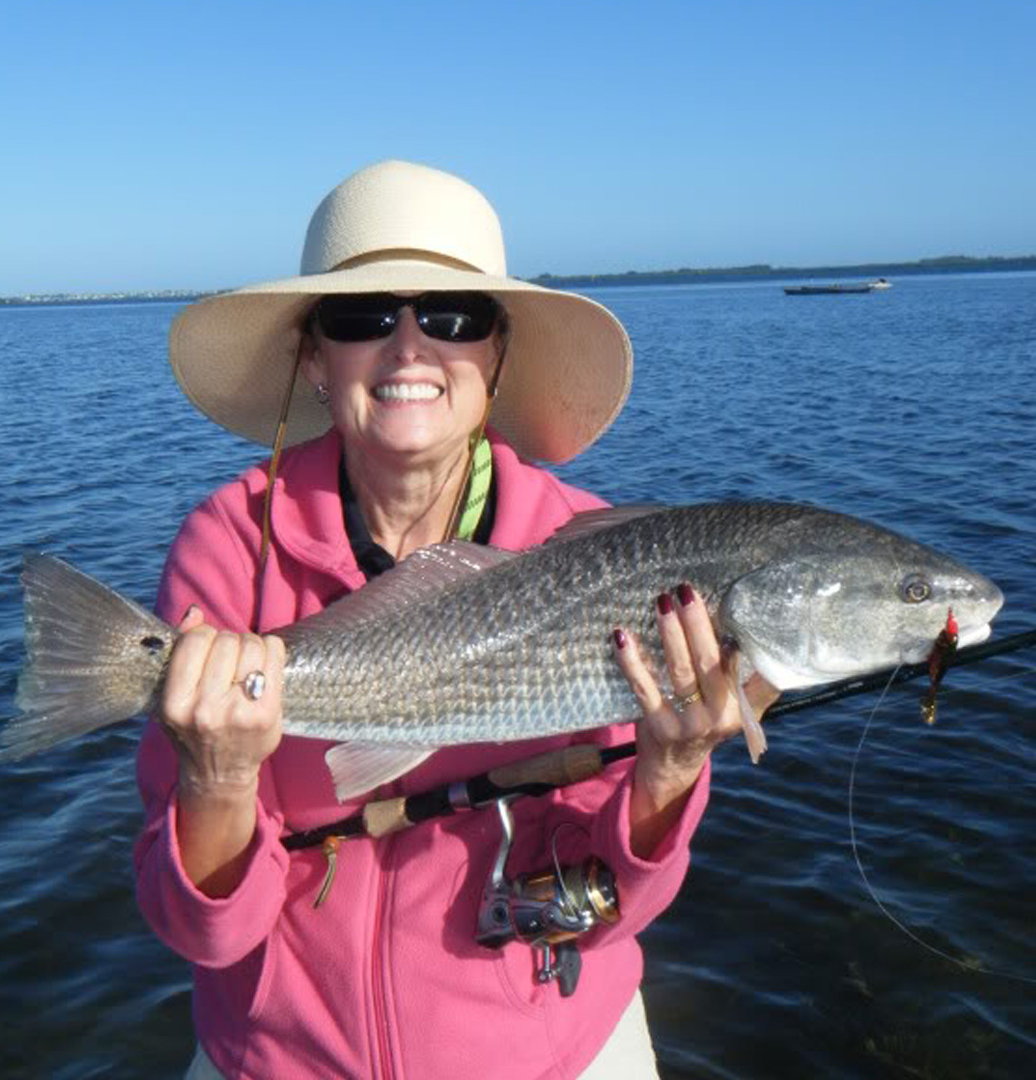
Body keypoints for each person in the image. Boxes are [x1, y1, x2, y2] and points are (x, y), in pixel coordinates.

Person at [135, 160, 777, 1079]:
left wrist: (672, 770)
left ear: (496, 355)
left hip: (550, 1046)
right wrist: (219, 782)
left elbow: (615, 910)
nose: (408, 348)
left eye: (452, 315)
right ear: (314, 358)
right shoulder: (230, 544)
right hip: (279, 1057)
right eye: (362, 318)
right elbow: (199, 930)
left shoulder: (608, 558)